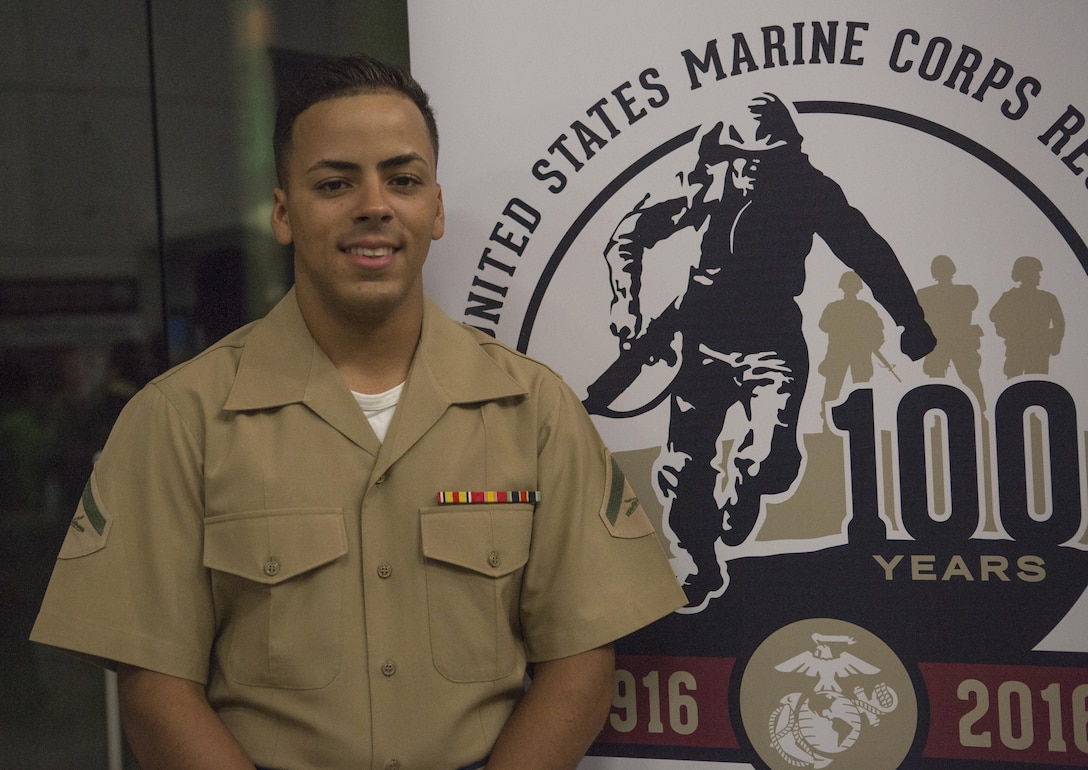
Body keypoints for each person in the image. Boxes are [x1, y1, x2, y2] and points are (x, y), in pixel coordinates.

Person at [31, 53, 686, 770]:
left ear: (434, 209)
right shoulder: (179, 421)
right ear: (284, 213)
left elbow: (582, 664)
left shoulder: (534, 411)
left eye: (402, 180)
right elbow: (155, 689)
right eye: (335, 183)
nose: (373, 204)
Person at [586, 94, 935, 612]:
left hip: (771, 341)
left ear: (786, 156)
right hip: (700, 341)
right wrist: (626, 309)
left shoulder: (811, 191)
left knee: (772, 460)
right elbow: (630, 236)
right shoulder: (707, 182)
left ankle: (746, 491)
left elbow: (866, 249)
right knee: (686, 468)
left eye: (765, 158)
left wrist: (910, 318)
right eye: (743, 156)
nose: (752, 168)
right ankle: (701, 566)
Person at [915, 254, 986, 411]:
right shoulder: (965, 292)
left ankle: (979, 410)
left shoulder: (926, 294)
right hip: (944, 343)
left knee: (968, 378)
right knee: (941, 379)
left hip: (955, 342)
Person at [989, 255, 1064, 378]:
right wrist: (1009, 329)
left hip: (1039, 349)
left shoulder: (1047, 298)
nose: (1039, 276)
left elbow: (1059, 323)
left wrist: (1055, 342)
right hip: (1017, 347)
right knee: (1014, 381)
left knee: (1036, 384)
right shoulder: (1010, 296)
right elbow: (994, 315)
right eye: (1035, 273)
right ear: (1026, 274)